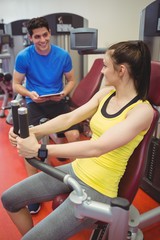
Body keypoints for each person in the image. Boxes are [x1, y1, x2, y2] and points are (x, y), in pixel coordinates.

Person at [1, 40, 154, 240]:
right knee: (9, 199)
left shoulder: (142, 111)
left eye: (106, 66)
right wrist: (31, 132)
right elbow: (70, 118)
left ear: (122, 70)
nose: (102, 72)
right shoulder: (106, 94)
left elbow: (97, 147)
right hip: (76, 170)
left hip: (98, 188)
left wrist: (40, 150)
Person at [12, 17, 80, 213]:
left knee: (74, 135)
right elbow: (16, 84)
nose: (42, 40)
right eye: (37, 37)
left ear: (50, 33)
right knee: (29, 142)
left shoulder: (62, 55)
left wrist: (64, 93)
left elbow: (71, 80)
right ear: (30, 38)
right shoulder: (24, 56)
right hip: (35, 103)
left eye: (44, 35)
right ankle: (33, 190)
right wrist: (29, 93)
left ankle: (77, 183)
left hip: (57, 102)